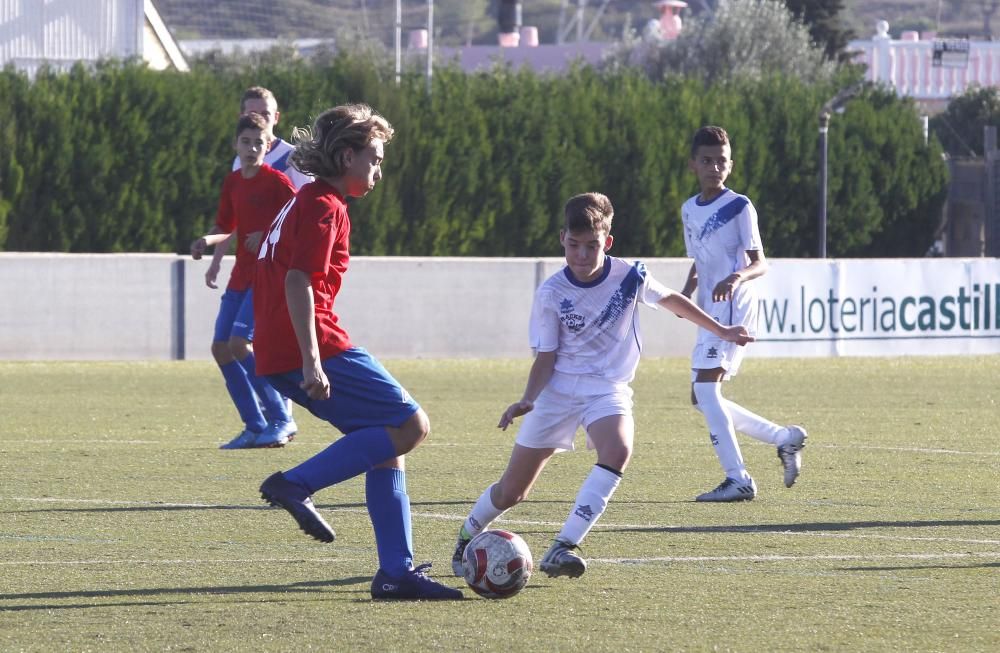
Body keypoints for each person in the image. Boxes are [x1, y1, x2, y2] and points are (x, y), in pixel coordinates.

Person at [449, 192, 754, 580]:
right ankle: (466, 536)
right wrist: (528, 399)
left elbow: (675, 301)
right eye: (573, 245)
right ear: (562, 239)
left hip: (607, 389)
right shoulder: (551, 293)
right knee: (512, 492)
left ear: (607, 242)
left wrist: (722, 329)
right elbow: (546, 358)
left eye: (591, 246)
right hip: (558, 392)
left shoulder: (630, 276)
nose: (581, 255)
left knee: (619, 447)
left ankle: (563, 546)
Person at [253, 104, 462, 600]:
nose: (378, 169)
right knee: (412, 425)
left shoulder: (308, 199)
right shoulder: (325, 205)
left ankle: (396, 571)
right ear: (346, 155)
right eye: (373, 158)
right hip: (311, 343)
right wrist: (311, 360)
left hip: (281, 346)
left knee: (387, 443)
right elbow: (298, 279)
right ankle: (295, 484)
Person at [679, 125, 807, 502]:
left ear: (730, 165)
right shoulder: (689, 209)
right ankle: (784, 438)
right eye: (707, 160)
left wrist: (736, 276)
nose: (714, 167)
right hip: (708, 309)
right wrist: (687, 291)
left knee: (705, 388)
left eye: (721, 161)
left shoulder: (739, 206)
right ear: (693, 165)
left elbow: (760, 262)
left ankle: (738, 479)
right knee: (700, 396)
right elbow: (700, 259)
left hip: (735, 306)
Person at [190, 112, 298, 450]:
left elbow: (296, 223)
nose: (252, 148)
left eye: (259, 143)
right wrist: (206, 242)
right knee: (220, 347)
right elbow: (226, 225)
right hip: (240, 277)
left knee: (240, 344)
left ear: (268, 146)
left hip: (267, 277)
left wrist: (266, 236)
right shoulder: (233, 182)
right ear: (235, 145)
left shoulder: (277, 182)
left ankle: (282, 418)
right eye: (246, 142)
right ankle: (254, 425)